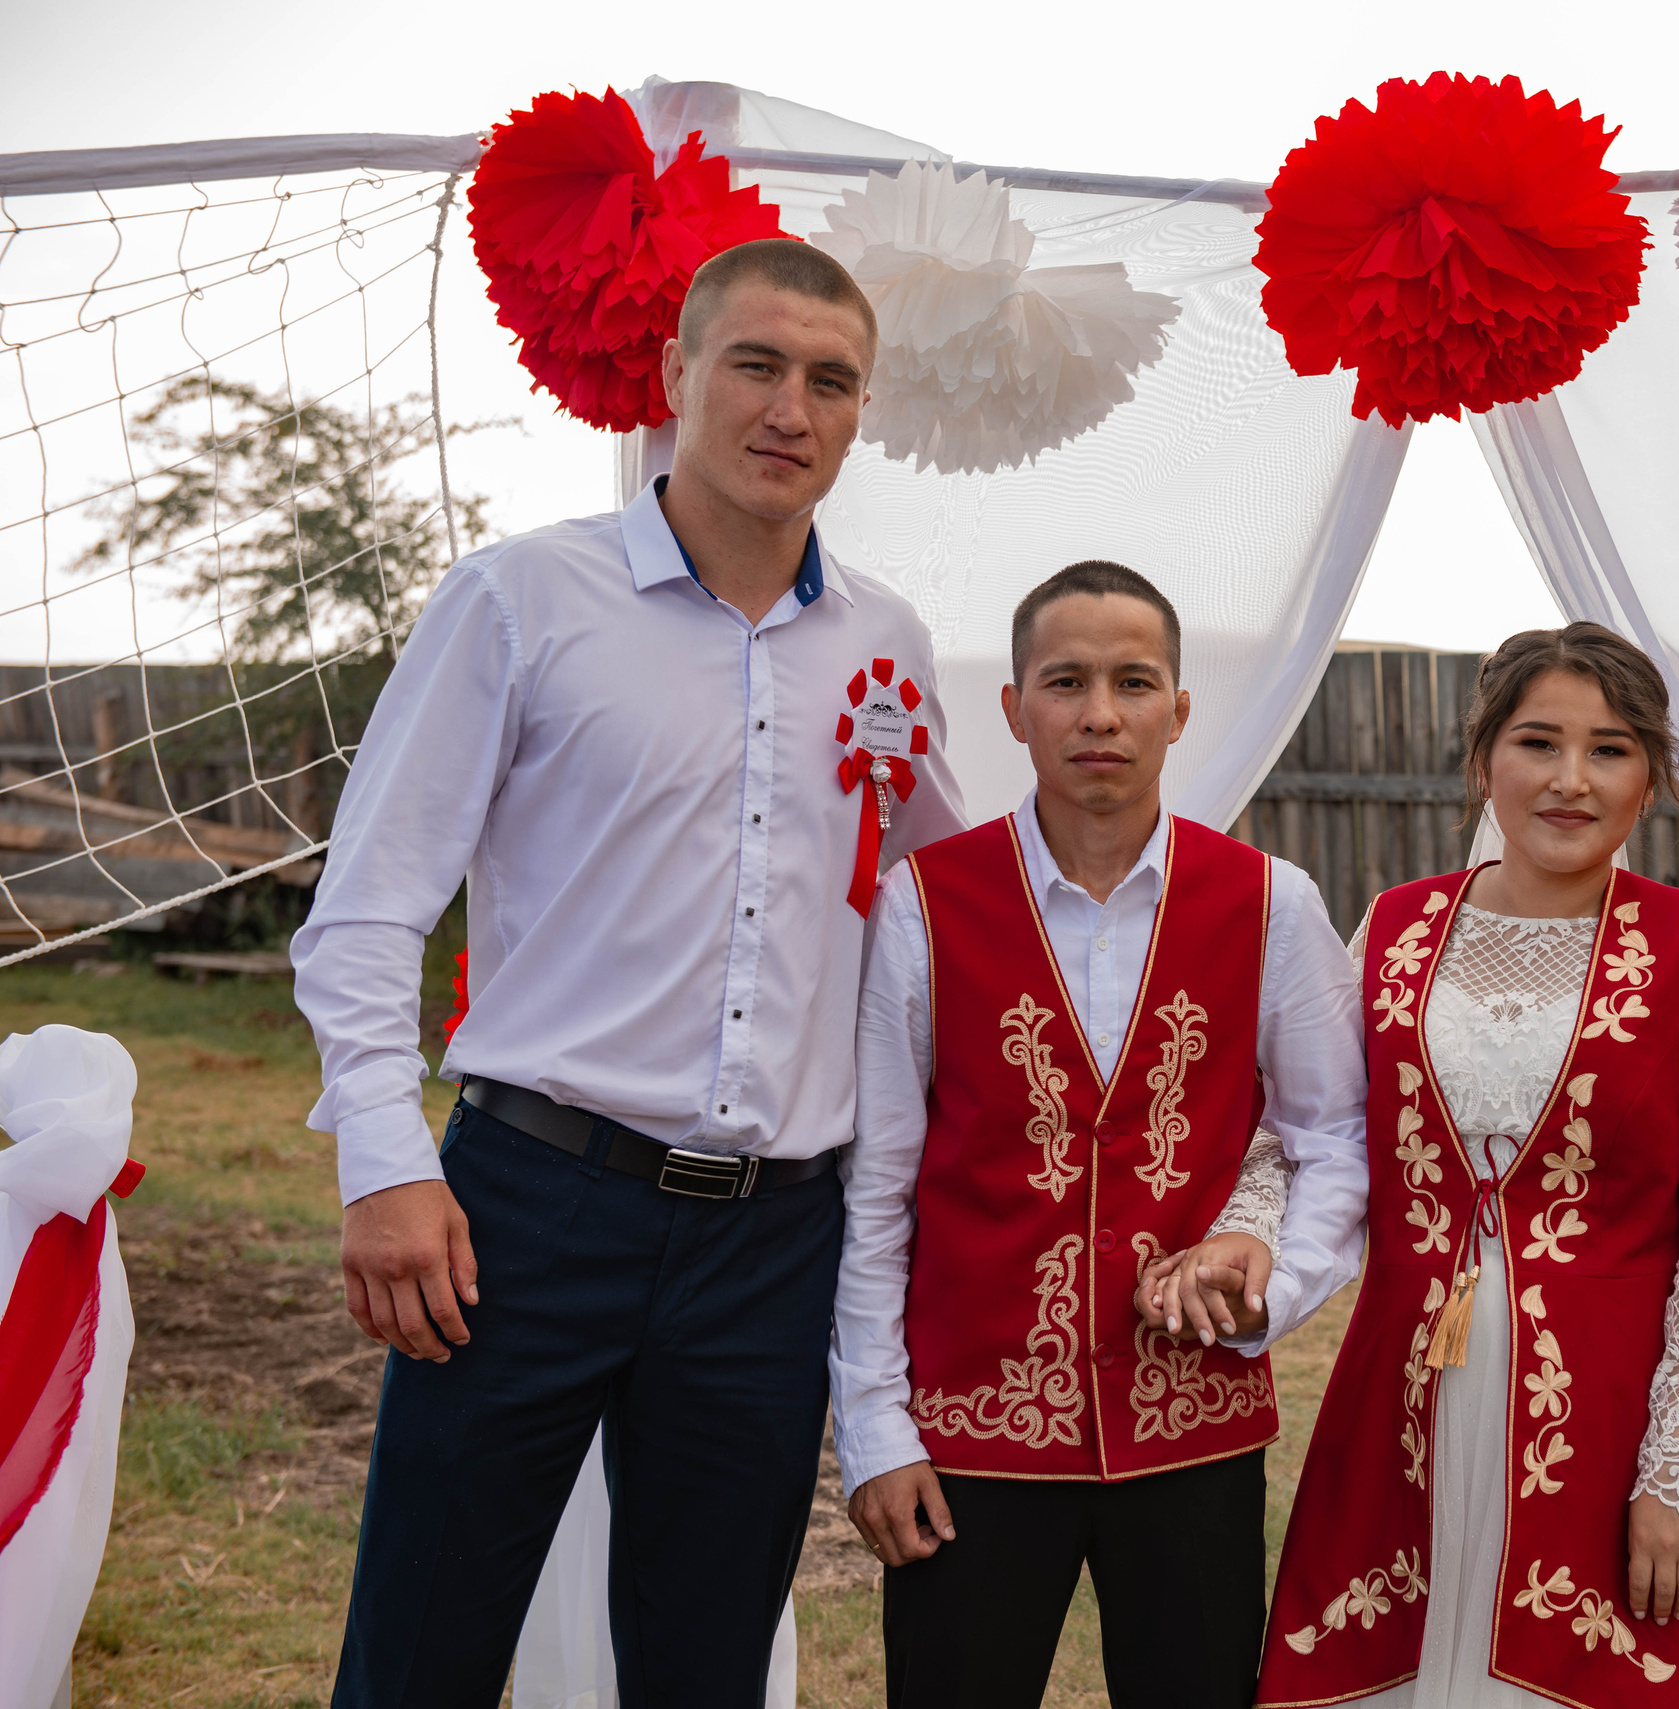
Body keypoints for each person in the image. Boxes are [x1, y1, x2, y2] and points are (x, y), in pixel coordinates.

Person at [293, 238, 969, 1707]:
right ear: (674, 377)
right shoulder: (520, 599)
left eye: (832, 381)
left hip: (770, 1246)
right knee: (423, 1647)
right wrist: (380, 1159)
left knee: (704, 1665)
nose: (792, 407)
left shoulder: (888, 647)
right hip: (526, 1208)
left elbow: (953, 904)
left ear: (861, 417)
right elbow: (365, 910)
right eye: (758, 364)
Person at [1250, 623, 1679, 1709]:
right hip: (1402, 1407)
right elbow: (1304, 1140)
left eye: (1609, 748)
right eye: (1537, 741)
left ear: (1648, 778)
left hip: (1617, 1419)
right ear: (1483, 762)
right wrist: (1242, 1244)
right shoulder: (1392, 930)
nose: (1570, 779)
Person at [833, 559, 1369, 1709]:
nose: (1100, 713)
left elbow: (1335, 1138)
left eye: (1134, 682)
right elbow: (877, 1185)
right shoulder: (923, 902)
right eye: (1065, 681)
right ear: (1014, 708)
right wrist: (874, 1425)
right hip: (971, 1432)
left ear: (1178, 711)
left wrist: (1272, 1278)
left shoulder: (1271, 902)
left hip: (1193, 1423)